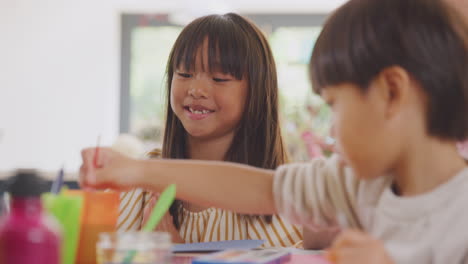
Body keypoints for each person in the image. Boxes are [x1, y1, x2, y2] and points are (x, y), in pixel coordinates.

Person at [80, 0, 468, 262]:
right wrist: (136, 171)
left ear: (392, 92)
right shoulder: (353, 184)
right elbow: (260, 188)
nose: (331, 128)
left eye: (335, 104)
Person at [116, 13, 302, 247]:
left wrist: (179, 254)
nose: (196, 89)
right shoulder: (148, 177)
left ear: (256, 91)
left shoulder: (279, 195)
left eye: (219, 78)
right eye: (184, 74)